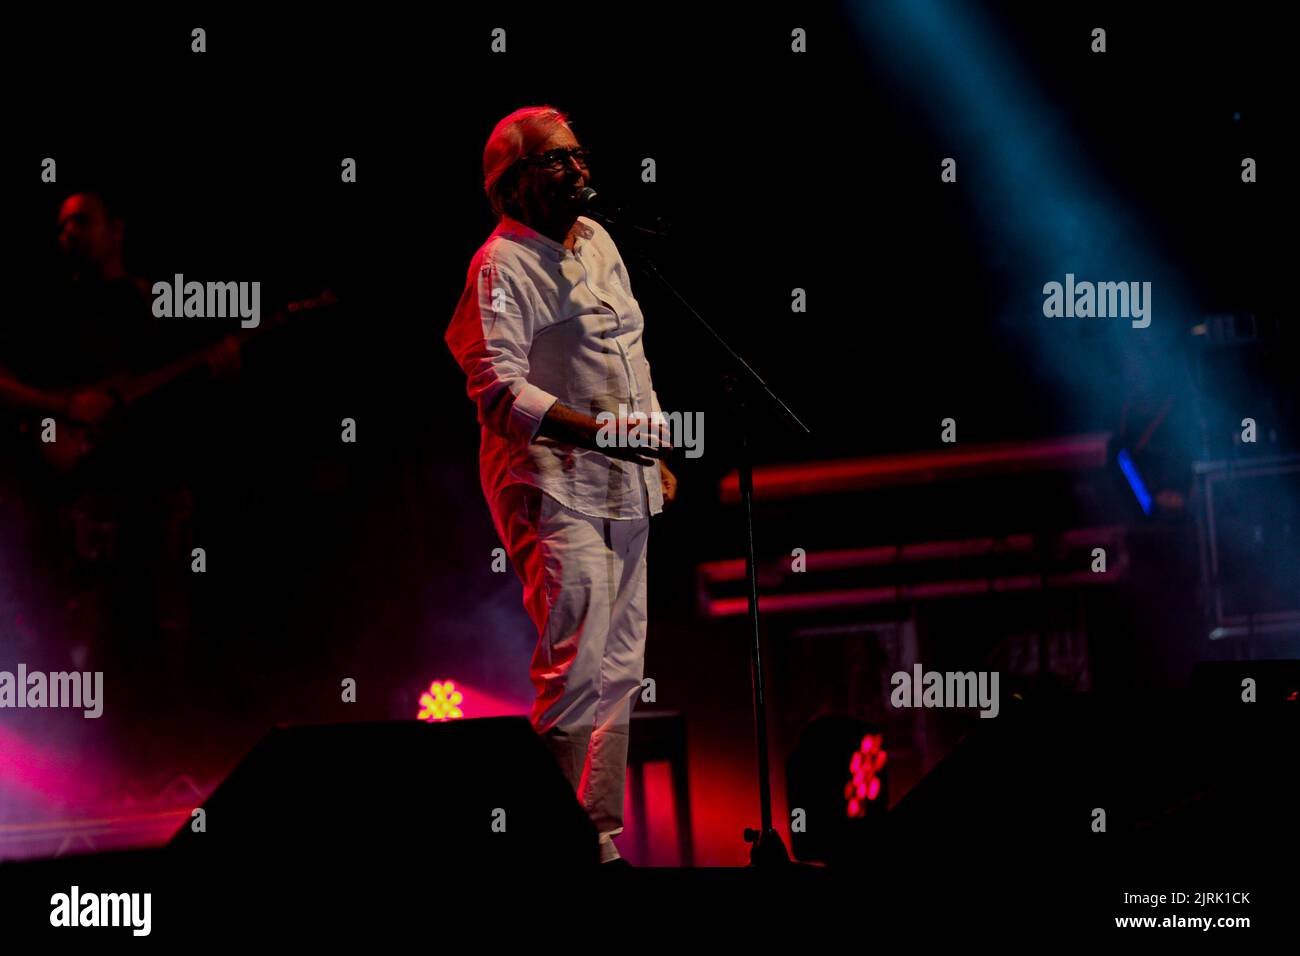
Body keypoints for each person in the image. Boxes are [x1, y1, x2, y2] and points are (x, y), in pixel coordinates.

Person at [445, 106, 678, 866]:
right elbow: (500, 394)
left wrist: (653, 447)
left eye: (578, 156)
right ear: (510, 184)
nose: (577, 171)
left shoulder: (599, 241)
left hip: (627, 484)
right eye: (555, 161)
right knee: (575, 667)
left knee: (622, 673)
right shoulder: (499, 267)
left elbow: (626, 352)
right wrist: (603, 434)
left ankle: (597, 841)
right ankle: (550, 847)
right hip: (555, 485)